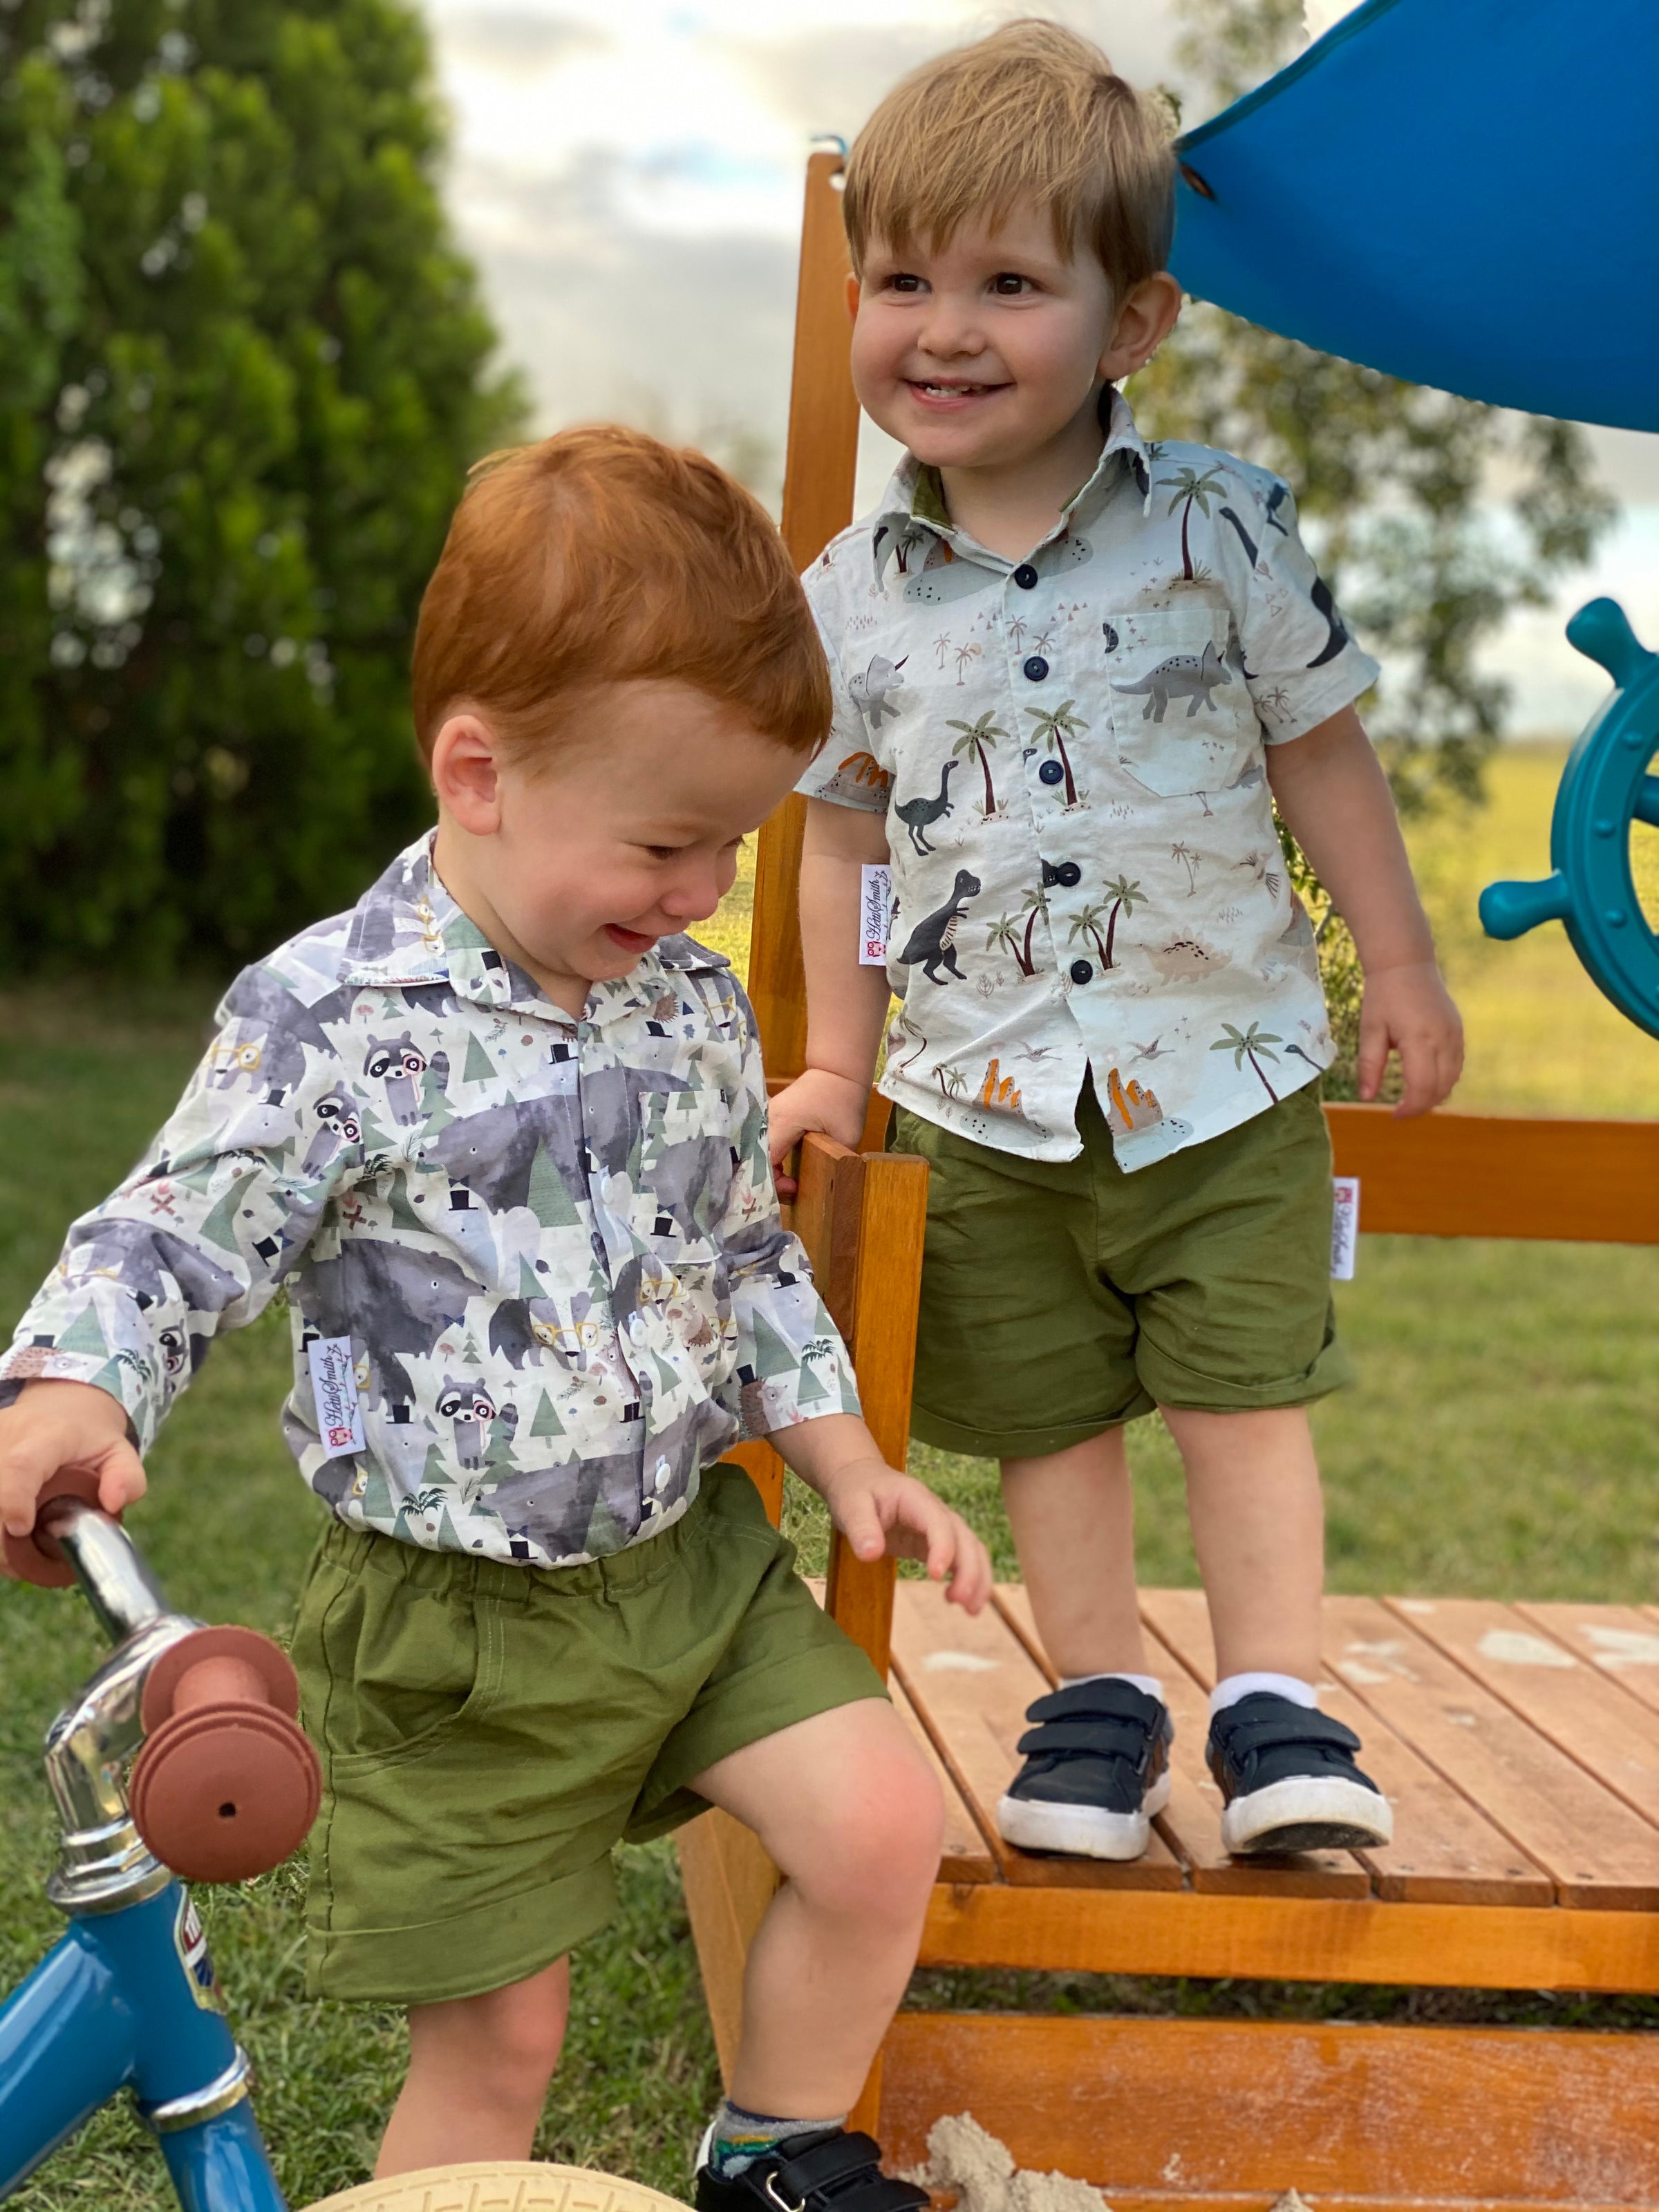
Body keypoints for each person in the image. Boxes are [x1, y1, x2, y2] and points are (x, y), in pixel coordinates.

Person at [0, 425, 992, 2202]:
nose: (702, 900)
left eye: (734, 853)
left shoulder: (682, 1005)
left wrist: (847, 1462)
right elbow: (173, 1228)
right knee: (504, 2037)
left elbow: (744, 1255)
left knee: (880, 1821)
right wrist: (76, 1386)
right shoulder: (329, 1017)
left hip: (687, 1575)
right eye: (671, 845)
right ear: (480, 769)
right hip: (453, 1641)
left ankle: (769, 2160)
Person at [768, 21, 1463, 1864]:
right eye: (904, 279)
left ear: (1132, 322)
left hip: (1222, 1074)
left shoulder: (1216, 535)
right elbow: (842, 833)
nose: (946, 326)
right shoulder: (850, 597)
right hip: (977, 1094)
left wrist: (1397, 969)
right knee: (1047, 1423)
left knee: (1243, 1397)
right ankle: (1094, 1705)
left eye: (1009, 282)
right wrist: (841, 1057)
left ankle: (1276, 1702)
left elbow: (1324, 750)